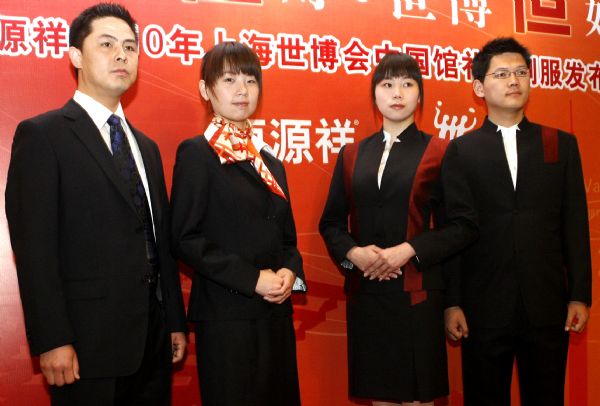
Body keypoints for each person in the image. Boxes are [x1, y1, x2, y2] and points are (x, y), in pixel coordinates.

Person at [5, 3, 187, 405]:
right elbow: (34, 248)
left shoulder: (148, 148)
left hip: (152, 343)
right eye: (106, 44)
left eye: (130, 46)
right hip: (85, 347)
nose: (122, 54)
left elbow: (160, 243)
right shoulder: (43, 136)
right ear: (75, 56)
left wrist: (174, 320)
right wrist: (53, 338)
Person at [319, 52, 477, 406]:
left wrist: (410, 250)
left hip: (416, 296)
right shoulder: (351, 154)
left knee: (416, 399)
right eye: (387, 85)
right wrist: (353, 254)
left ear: (419, 96)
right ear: (374, 95)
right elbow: (330, 223)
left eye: (408, 84)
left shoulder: (439, 150)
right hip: (368, 295)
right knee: (380, 398)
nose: (397, 93)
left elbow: (463, 226)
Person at [443, 37, 592, 406]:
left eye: (522, 72)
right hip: (483, 305)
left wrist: (579, 294)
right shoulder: (462, 150)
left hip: (546, 304)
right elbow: (452, 232)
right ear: (479, 87)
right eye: (503, 73)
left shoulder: (560, 143)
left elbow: (575, 224)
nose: (514, 81)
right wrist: (453, 302)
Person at [170, 41, 307, 406]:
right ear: (205, 89)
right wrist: (252, 279)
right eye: (229, 79)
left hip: (275, 313)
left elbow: (288, 239)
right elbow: (185, 238)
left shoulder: (269, 162)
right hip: (226, 316)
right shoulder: (197, 153)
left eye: (250, 79)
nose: (242, 90)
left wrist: (289, 274)